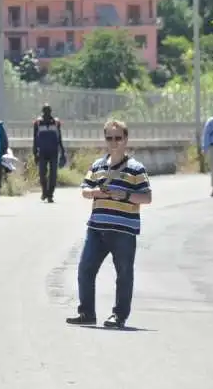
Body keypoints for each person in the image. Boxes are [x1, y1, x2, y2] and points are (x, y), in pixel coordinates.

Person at [66, 119, 152, 329]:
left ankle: (119, 315)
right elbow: (85, 190)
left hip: (123, 231)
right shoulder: (97, 165)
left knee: (123, 273)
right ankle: (86, 312)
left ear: (125, 140)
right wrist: (96, 192)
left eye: (118, 138)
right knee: (85, 269)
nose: (113, 142)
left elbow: (147, 197)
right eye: (109, 138)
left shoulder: (136, 169)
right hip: (97, 229)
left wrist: (125, 195)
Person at [33, 103, 66, 203]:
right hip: (42, 152)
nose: (47, 113)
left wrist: (63, 152)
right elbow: (35, 139)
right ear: (42, 112)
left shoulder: (56, 122)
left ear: (51, 111)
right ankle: (44, 192)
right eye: (45, 111)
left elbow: (59, 138)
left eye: (48, 111)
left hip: (53, 152)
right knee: (42, 174)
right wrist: (35, 153)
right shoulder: (38, 123)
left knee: (53, 175)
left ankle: (50, 195)